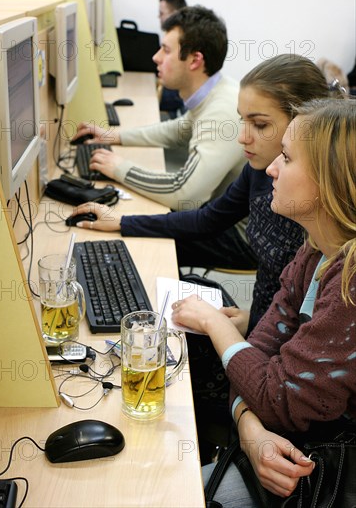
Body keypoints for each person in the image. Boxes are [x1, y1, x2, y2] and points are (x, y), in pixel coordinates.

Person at [170, 97, 356, 506]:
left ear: (331, 181)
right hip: (275, 440)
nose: (271, 167)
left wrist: (213, 324)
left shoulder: (351, 282)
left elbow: (276, 396)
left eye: (286, 158)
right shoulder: (315, 250)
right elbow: (257, 359)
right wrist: (249, 428)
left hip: (320, 473)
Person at [71, 54, 330, 327]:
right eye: (242, 120)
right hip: (262, 328)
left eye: (260, 124)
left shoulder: (317, 212)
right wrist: (122, 222)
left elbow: (307, 338)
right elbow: (207, 219)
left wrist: (238, 326)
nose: (243, 136)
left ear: (303, 126)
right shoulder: (259, 170)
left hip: (271, 345)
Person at [73, 5, 254, 270]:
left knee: (130, 241)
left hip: (242, 239)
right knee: (129, 221)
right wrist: (114, 136)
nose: (156, 57)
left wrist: (118, 167)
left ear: (194, 60)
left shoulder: (222, 111)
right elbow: (178, 129)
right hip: (220, 216)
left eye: (166, 50)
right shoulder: (217, 91)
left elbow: (185, 194)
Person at [158, 0, 187, 118]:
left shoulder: (180, 39)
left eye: (161, 13)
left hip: (174, 95)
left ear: (174, 14)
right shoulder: (174, 35)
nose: (159, 17)